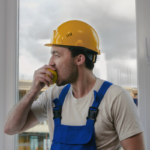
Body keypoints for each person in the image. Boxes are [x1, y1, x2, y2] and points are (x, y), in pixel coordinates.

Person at [4, 20, 145, 150]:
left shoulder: (116, 97)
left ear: (79, 59)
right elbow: (10, 129)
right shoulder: (53, 96)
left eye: (56, 55)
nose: (50, 62)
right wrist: (33, 91)